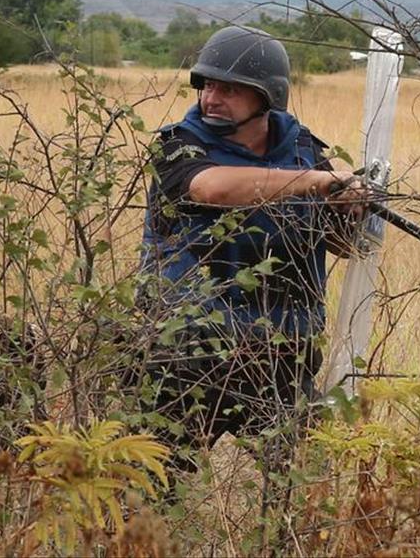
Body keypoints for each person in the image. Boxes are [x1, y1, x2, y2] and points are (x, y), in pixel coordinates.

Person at [137, 26, 362, 474]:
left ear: (265, 98)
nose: (211, 98)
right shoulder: (179, 146)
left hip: (281, 350)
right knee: (151, 487)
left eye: (230, 89)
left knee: (299, 485)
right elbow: (212, 188)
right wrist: (317, 184)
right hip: (187, 349)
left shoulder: (302, 150)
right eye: (208, 86)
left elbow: (341, 244)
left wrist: (351, 206)